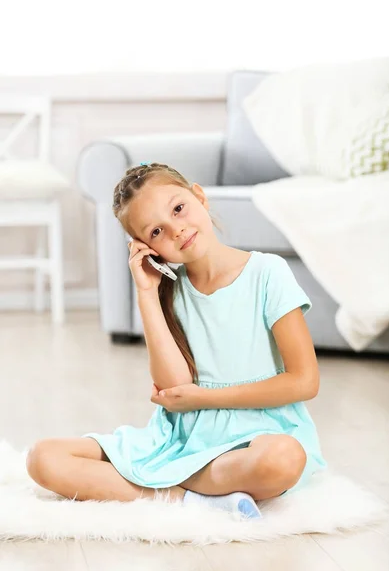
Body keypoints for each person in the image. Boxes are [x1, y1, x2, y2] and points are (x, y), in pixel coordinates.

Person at [26, 162, 327, 519]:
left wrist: (207, 398)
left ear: (199, 197)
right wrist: (147, 293)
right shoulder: (167, 291)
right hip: (182, 438)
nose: (176, 229)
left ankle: (168, 489)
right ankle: (189, 499)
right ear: (145, 247)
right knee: (42, 458)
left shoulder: (268, 273)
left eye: (179, 209)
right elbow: (175, 388)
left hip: (260, 433)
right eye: (157, 231)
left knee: (283, 459)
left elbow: (305, 381)